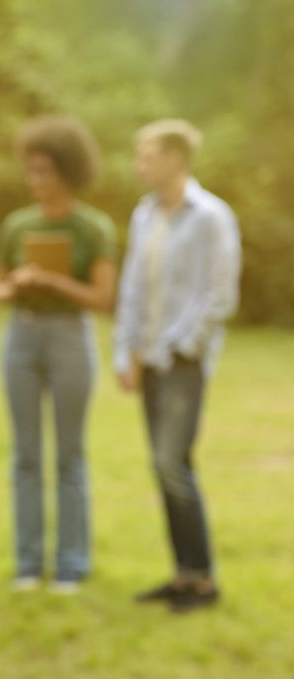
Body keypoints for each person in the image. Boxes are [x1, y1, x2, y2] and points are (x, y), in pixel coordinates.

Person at [114, 119, 240, 613]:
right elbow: (132, 289)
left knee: (172, 464)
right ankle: (183, 575)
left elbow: (219, 293)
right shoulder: (144, 215)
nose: (139, 165)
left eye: (146, 156)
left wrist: (181, 346)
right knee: (164, 467)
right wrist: (126, 352)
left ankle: (203, 580)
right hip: (148, 360)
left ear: (173, 159)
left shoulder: (211, 216)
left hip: (183, 361)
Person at [0, 115, 118, 594]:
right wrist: (18, 284)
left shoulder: (93, 227)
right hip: (21, 338)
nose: (33, 179)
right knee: (25, 455)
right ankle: (27, 564)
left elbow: (103, 299)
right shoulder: (16, 224)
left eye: (42, 170)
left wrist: (51, 280)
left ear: (67, 170)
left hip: (71, 338)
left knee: (69, 454)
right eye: (31, 170)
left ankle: (71, 564)